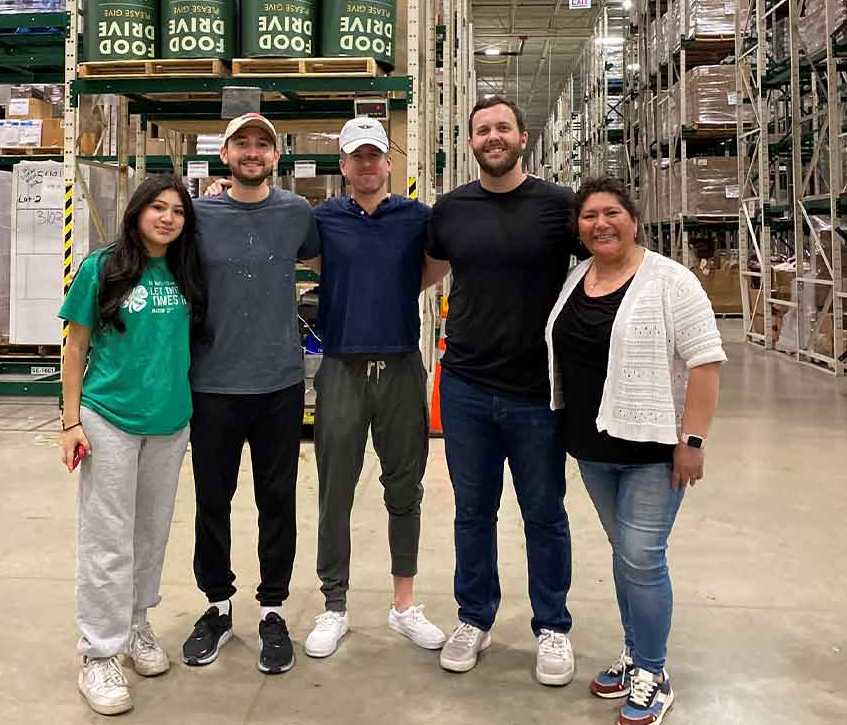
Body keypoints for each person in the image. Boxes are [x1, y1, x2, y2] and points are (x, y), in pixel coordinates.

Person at [546, 176, 724, 725]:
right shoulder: (578, 276)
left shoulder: (672, 281)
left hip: (653, 450)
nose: (600, 223)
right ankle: (633, 652)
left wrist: (692, 441)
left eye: (611, 213)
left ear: (634, 220)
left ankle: (654, 670)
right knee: (625, 553)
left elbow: (706, 362)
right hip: (593, 446)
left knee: (643, 558)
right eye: (589, 216)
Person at [423, 95, 578, 683]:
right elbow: (426, 272)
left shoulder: (559, 207)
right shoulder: (451, 209)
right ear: (470, 142)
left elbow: (607, 264)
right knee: (472, 512)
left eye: (503, 128)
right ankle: (474, 617)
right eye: (483, 129)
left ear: (522, 136)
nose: (494, 137)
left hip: (536, 391)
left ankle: (553, 627)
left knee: (543, 513)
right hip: (464, 385)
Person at [59, 173, 207, 716]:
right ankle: (99, 652)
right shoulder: (103, 266)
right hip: (108, 419)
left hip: (169, 422)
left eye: (178, 211)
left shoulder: (187, 270)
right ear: (137, 211)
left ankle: (137, 624)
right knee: (107, 537)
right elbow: (75, 348)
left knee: (149, 534)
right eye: (157, 208)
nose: (168, 218)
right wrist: (70, 421)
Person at [301, 116, 446, 659]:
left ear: (390, 163)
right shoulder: (324, 218)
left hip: (401, 368)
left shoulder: (416, 217)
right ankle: (334, 606)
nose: (365, 164)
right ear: (343, 165)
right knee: (334, 490)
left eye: (374, 155)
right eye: (355, 156)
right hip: (341, 369)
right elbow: (308, 259)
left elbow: (434, 268)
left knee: (404, 489)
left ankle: (404, 604)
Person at [182, 112, 320, 676]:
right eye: (243, 143)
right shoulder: (197, 214)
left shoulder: (296, 212)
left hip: (278, 385)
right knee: (212, 500)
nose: (253, 152)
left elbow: (325, 260)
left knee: (276, 501)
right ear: (226, 153)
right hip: (212, 382)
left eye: (263, 144)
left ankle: (272, 607)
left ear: (276, 156)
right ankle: (216, 603)